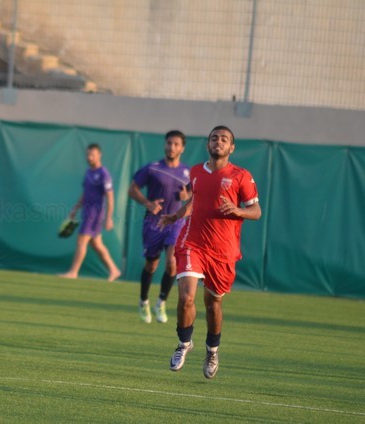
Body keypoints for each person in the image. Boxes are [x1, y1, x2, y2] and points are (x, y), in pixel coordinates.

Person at [159, 125, 261, 379]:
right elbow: (195, 201)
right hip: (193, 243)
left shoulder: (241, 176)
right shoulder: (195, 172)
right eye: (214, 138)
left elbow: (256, 211)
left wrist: (238, 212)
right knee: (186, 298)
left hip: (223, 251)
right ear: (207, 145)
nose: (218, 142)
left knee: (213, 304)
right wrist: (175, 216)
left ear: (231, 147)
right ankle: (184, 344)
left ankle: (212, 350)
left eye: (224, 139)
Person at [128, 130, 190, 324]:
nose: (172, 147)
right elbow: (132, 189)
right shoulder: (152, 168)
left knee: (172, 263)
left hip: (175, 222)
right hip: (153, 223)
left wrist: (186, 197)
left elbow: (193, 197)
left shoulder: (188, 173)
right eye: (169, 143)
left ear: (182, 148)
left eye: (176, 144)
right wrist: (148, 203)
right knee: (151, 265)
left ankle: (161, 302)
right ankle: (143, 301)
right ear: (165, 145)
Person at [59, 144, 121, 282]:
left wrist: (109, 218)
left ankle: (73, 272)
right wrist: (75, 209)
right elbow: (85, 193)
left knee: (81, 241)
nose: (89, 157)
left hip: (95, 215)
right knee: (97, 245)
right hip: (86, 213)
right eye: (87, 154)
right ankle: (114, 270)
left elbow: (110, 196)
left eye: (92, 154)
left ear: (99, 155)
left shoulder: (104, 174)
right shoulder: (88, 172)